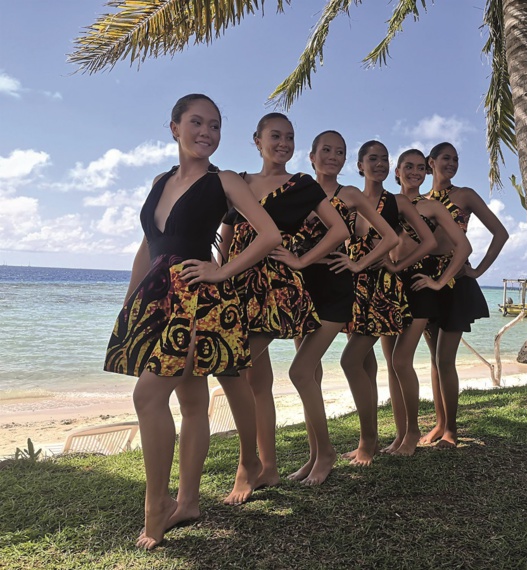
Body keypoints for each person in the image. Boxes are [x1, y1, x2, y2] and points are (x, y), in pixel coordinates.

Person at [104, 94, 281, 550]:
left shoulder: (224, 181)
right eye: (197, 122)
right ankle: (188, 501)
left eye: (215, 125)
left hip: (199, 301)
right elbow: (149, 246)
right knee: (192, 401)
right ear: (174, 128)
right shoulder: (161, 180)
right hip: (158, 300)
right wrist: (130, 301)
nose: (207, 132)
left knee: (148, 394)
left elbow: (268, 234)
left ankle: (156, 505)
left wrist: (221, 270)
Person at [216, 113, 348, 503]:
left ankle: (266, 463)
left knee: (241, 371)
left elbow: (339, 230)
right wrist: (219, 271)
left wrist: (302, 261)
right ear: (257, 139)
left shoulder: (302, 185)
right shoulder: (238, 183)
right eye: (276, 136)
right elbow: (227, 230)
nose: (284, 143)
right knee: (257, 382)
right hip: (235, 286)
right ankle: (268, 467)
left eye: (290, 137)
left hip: (273, 288)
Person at [276, 129, 398, 484]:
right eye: (325, 150)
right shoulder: (299, 190)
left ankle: (332, 451)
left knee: (301, 371)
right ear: (311, 156)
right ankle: (314, 455)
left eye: (340, 151)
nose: (333, 156)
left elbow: (389, 237)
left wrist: (358, 265)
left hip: (334, 286)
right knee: (310, 374)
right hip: (301, 288)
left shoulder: (349, 194)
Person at [331, 140, 436, 466]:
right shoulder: (348, 199)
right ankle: (374, 438)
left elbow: (429, 242)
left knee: (356, 361)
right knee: (367, 364)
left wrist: (396, 266)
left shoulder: (397, 201)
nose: (379, 164)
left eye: (383, 159)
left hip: (383, 291)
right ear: (360, 165)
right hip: (352, 289)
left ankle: (391, 436)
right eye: (372, 159)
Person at [380, 149, 471, 456]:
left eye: (421, 167)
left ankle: (413, 433)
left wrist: (439, 281)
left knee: (402, 361)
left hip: (419, 284)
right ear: (397, 170)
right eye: (409, 166)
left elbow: (463, 246)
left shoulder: (431, 206)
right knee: (392, 366)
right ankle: (400, 434)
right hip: (388, 287)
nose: (415, 172)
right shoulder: (386, 202)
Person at [421, 142, 509, 449]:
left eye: (456, 159)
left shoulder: (465, 195)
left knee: (445, 359)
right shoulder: (420, 200)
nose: (452, 163)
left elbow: (501, 233)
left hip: (456, 281)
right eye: (446, 158)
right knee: (433, 359)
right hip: (426, 280)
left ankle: (451, 431)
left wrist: (479, 270)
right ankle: (439, 423)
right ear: (430, 162)